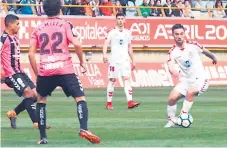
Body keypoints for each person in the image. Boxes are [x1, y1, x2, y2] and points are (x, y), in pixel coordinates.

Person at [28, 0, 100, 144]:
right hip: (65, 69)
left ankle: (43, 137)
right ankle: (83, 128)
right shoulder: (65, 24)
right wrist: (82, 62)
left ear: (44, 10)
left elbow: (30, 54)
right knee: (80, 98)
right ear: (60, 9)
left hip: (45, 70)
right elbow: (78, 44)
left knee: (41, 101)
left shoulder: (38, 28)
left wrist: (37, 73)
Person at [164, 24, 217, 128]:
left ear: (184, 34)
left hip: (201, 80)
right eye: (176, 34)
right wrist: (176, 73)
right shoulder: (172, 52)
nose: (179, 36)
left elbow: (205, 51)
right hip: (186, 80)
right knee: (171, 98)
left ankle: (183, 115)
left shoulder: (193, 45)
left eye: (181, 34)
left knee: (190, 92)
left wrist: (213, 57)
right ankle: (171, 121)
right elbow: (171, 67)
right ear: (173, 35)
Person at [0, 14, 38, 129]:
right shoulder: (3, 38)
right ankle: (37, 123)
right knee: (27, 92)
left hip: (19, 71)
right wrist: (1, 70)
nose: (19, 27)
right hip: (10, 73)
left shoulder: (15, 38)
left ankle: (13, 113)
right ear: (10, 24)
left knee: (36, 95)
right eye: (17, 24)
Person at [103, 12, 140, 110]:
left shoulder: (128, 33)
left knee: (127, 79)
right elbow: (106, 43)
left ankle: (130, 102)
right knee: (112, 80)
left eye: (121, 18)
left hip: (125, 60)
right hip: (114, 61)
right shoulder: (112, 32)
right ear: (116, 20)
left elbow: (129, 47)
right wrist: (104, 54)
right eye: (118, 18)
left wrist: (133, 60)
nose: (120, 20)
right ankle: (109, 103)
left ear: (124, 20)